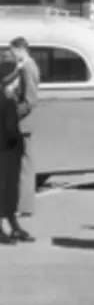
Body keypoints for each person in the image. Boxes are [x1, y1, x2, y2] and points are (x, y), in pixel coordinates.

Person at [7, 37, 38, 236]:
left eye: (12, 51)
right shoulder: (24, 66)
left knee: (23, 166)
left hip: (21, 124)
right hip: (21, 124)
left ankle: (24, 205)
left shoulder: (28, 68)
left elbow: (30, 99)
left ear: (21, 49)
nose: (11, 55)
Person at [0, 57, 32, 244]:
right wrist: (19, 141)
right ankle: (8, 227)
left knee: (8, 190)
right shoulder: (8, 101)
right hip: (7, 152)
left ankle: (13, 225)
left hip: (4, 152)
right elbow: (11, 129)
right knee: (7, 190)